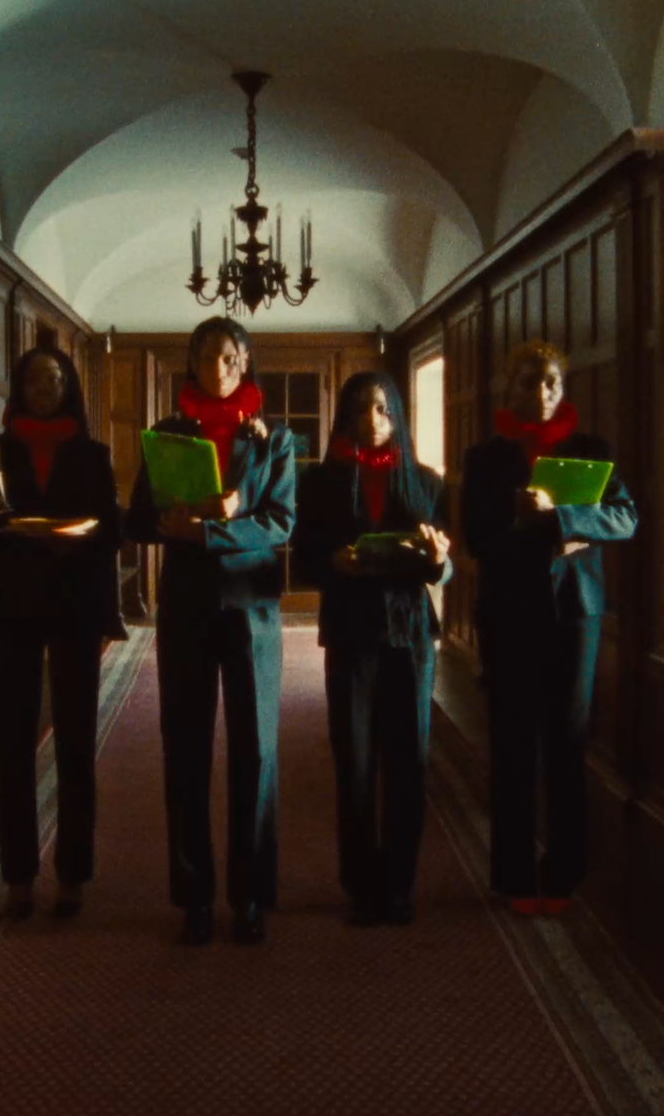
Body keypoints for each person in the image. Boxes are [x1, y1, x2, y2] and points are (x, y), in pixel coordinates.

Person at [124, 317, 298, 946]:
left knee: (256, 751)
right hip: (187, 605)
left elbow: (281, 523)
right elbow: (141, 520)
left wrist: (219, 523)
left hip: (252, 608)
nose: (219, 369)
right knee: (186, 747)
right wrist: (184, 517)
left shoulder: (273, 440)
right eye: (207, 357)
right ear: (191, 363)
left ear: (244, 364)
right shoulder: (168, 433)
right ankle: (193, 895)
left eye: (230, 358)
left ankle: (250, 894)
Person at [459, 339, 638, 918]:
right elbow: (478, 541)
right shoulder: (485, 458)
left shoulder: (592, 452)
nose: (539, 393)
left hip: (574, 615)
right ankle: (513, 878)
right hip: (508, 612)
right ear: (508, 388)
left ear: (564, 389)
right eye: (528, 382)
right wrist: (531, 522)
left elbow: (625, 517)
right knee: (512, 746)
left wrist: (562, 517)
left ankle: (562, 877)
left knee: (567, 744)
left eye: (551, 383)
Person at [0, 346, 127, 921]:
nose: (45, 385)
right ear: (19, 386)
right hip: (12, 607)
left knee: (76, 743)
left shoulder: (93, 454)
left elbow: (112, 533)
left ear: (70, 387)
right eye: (34, 378)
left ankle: (73, 877)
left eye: (55, 377)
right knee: (12, 745)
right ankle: (17, 878)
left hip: (74, 605)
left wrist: (76, 538)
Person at [292, 372, 454, 927]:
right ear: (345, 417)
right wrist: (333, 565)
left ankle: (400, 884)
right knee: (355, 762)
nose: (373, 421)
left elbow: (448, 566)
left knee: (408, 764)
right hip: (350, 633)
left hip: (410, 637)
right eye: (361, 410)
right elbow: (304, 558)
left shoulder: (427, 483)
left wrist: (436, 560)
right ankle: (361, 883)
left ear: (399, 417)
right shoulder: (321, 482)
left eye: (384, 411)